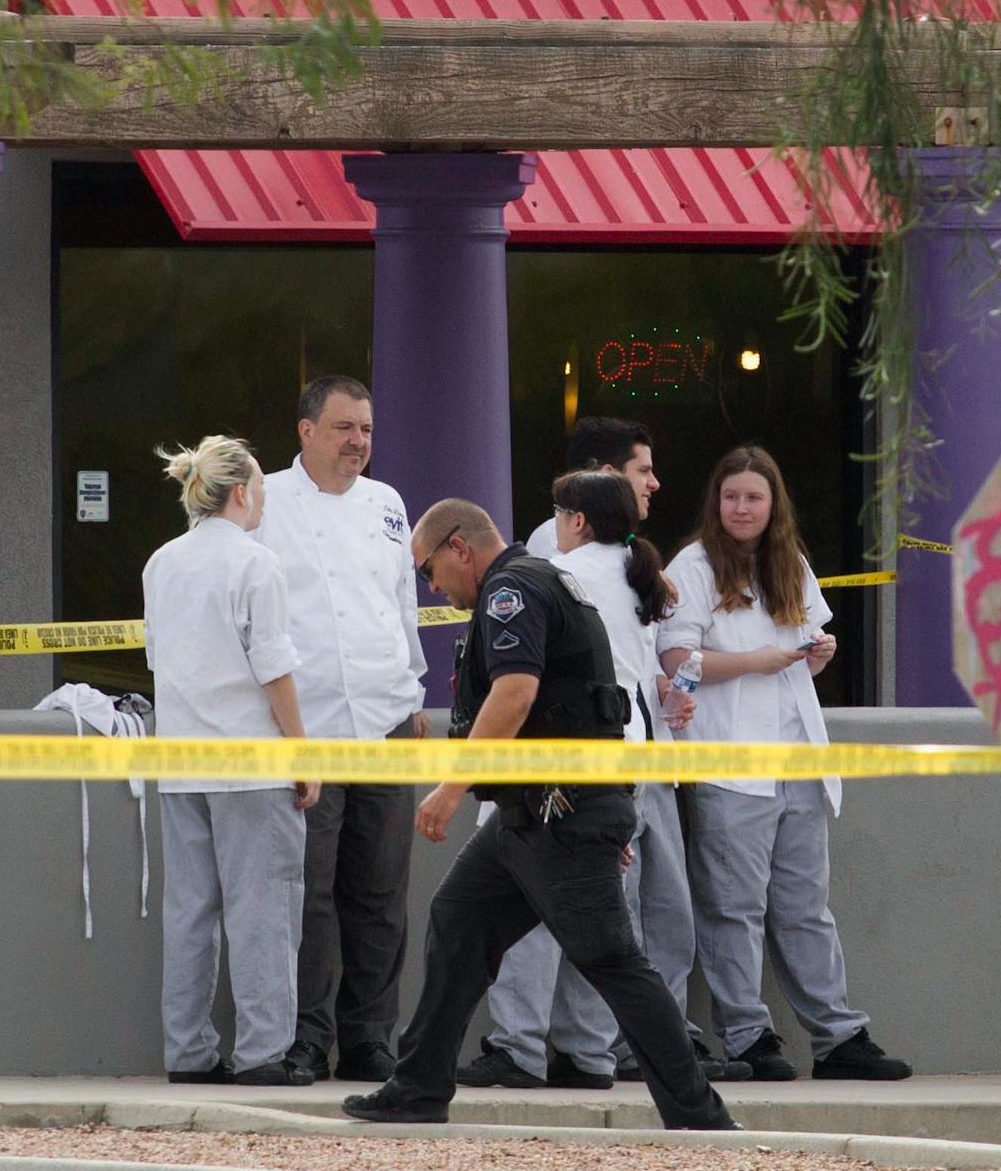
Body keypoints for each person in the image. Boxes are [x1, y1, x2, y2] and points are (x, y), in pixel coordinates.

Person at [340, 499, 736, 1129]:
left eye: (429, 571)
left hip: (560, 810)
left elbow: (516, 693)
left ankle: (699, 1114)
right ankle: (416, 1087)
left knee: (608, 956)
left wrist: (450, 787)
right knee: (459, 918)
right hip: (541, 810)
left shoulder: (513, 591)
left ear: (459, 548)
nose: (433, 586)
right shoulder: (539, 579)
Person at [459, 420, 748, 1088]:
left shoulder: (554, 573)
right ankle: (588, 1050)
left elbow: (529, 677)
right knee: (603, 908)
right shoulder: (644, 579)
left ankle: (519, 1046)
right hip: (634, 762)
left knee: (532, 902)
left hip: (563, 763)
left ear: (577, 520)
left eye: (561, 513)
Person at [658, 446, 911, 1082]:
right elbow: (674, 660)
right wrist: (752, 662)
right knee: (733, 907)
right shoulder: (692, 566)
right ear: (716, 503)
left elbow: (806, 649)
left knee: (804, 905)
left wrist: (817, 652)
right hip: (730, 758)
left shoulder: (788, 562)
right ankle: (747, 1037)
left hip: (797, 753)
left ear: (774, 505)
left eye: (754, 497)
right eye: (732, 496)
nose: (742, 508)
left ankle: (837, 1037)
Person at [251, 375, 426, 1085]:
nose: (359, 442)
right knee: (309, 894)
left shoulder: (387, 504)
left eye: (367, 430)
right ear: (306, 431)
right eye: (344, 427)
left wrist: (413, 691)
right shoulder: (261, 499)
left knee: (380, 893)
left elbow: (401, 605)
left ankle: (370, 1038)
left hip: (384, 721)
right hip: (309, 727)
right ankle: (304, 1036)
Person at [141, 436, 321, 1088]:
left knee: (189, 909)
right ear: (241, 492)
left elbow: (159, 658)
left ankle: (187, 1049)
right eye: (262, 492)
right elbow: (273, 665)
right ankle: (263, 1051)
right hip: (250, 763)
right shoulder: (257, 563)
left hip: (182, 759)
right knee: (263, 909)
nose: (264, 503)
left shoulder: (161, 563)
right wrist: (300, 749)